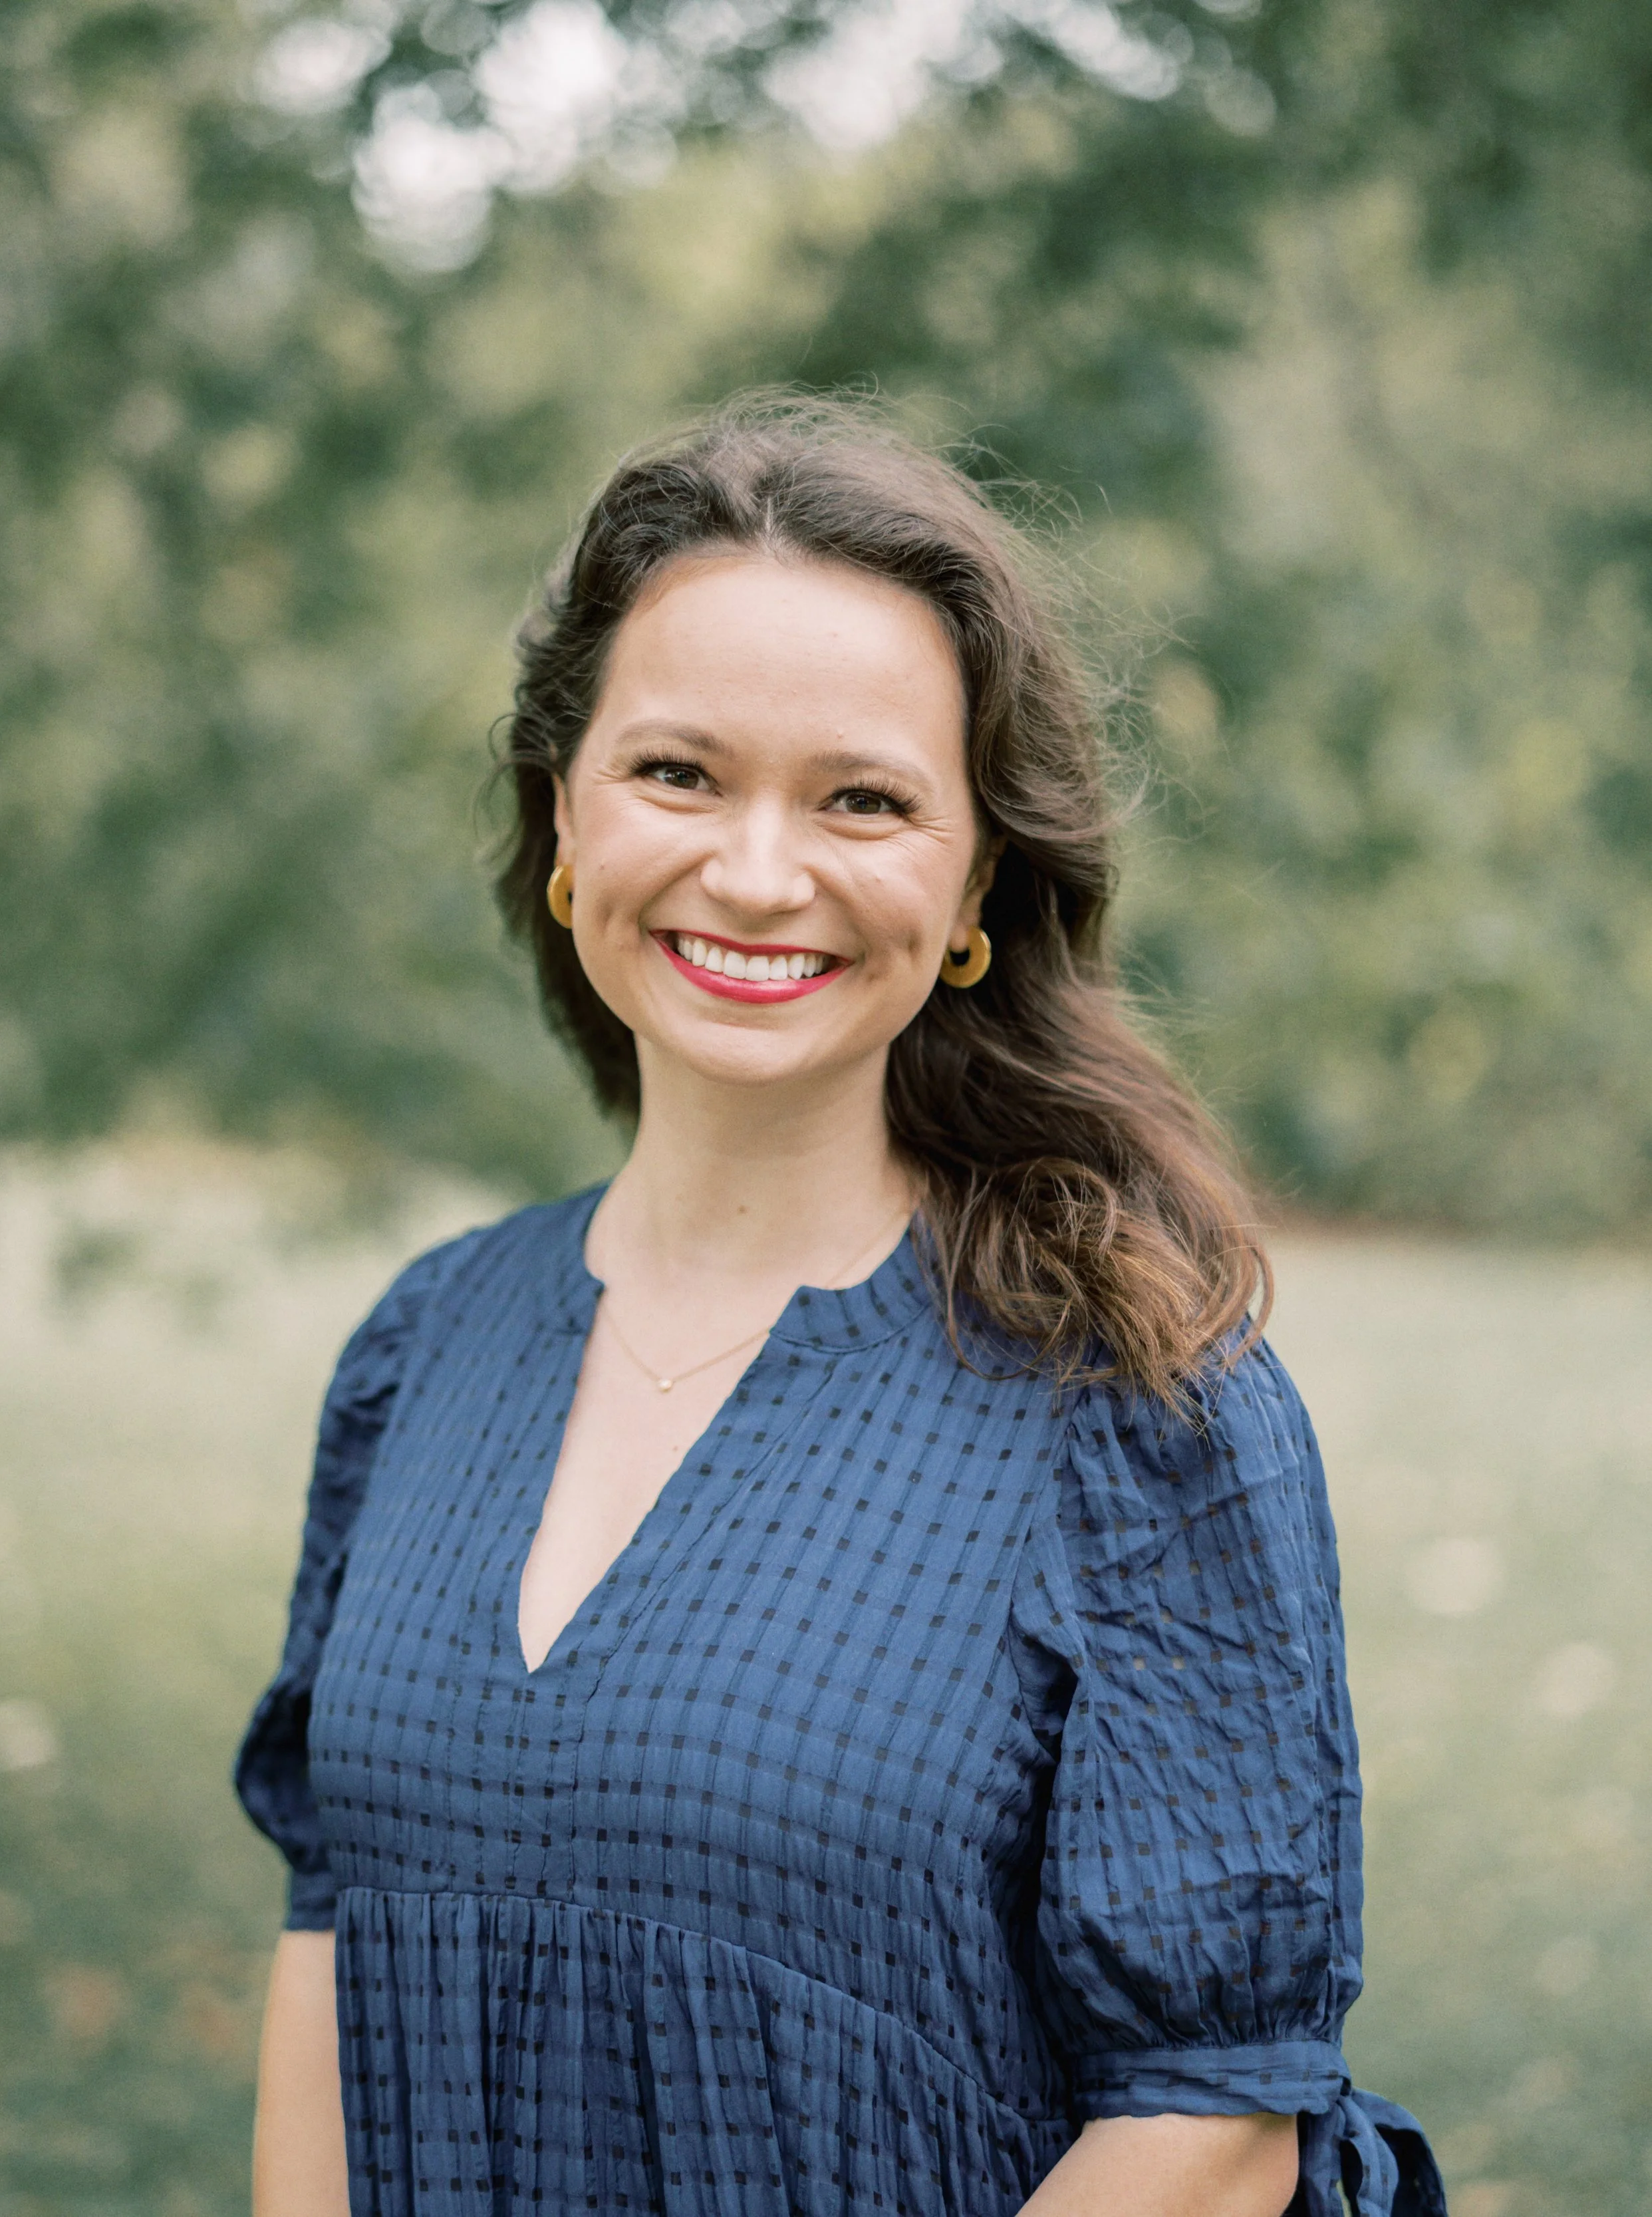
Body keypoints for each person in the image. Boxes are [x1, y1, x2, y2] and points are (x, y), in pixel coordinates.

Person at [236, 398, 1445, 2217]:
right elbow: (332, 1941)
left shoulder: (1136, 1405)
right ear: (563, 807)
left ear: (970, 882)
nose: (755, 870)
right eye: (678, 773)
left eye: (861, 798)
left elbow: (1207, 2122)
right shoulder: (425, 1346)